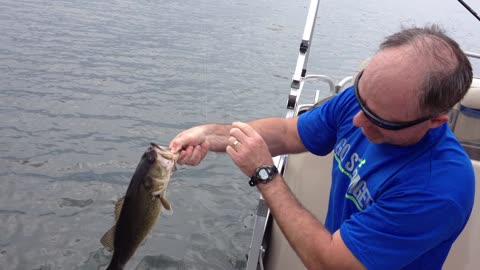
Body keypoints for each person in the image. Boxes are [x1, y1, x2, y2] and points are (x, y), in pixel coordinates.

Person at [169, 25, 474, 270]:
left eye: (379, 121)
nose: (358, 121)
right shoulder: (369, 100)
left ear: (435, 121)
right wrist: (211, 136)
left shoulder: (438, 189)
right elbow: (289, 133)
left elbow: (330, 262)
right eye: (361, 99)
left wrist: (265, 174)